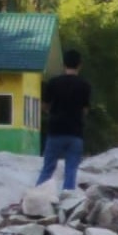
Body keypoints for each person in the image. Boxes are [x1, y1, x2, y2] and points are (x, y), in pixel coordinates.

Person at [35, 49, 91, 190]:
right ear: (79, 65)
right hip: (75, 133)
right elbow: (85, 110)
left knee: (47, 169)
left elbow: (44, 106)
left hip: (55, 131)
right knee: (71, 170)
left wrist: (52, 112)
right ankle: (68, 201)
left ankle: (36, 196)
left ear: (63, 64)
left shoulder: (53, 83)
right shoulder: (84, 85)